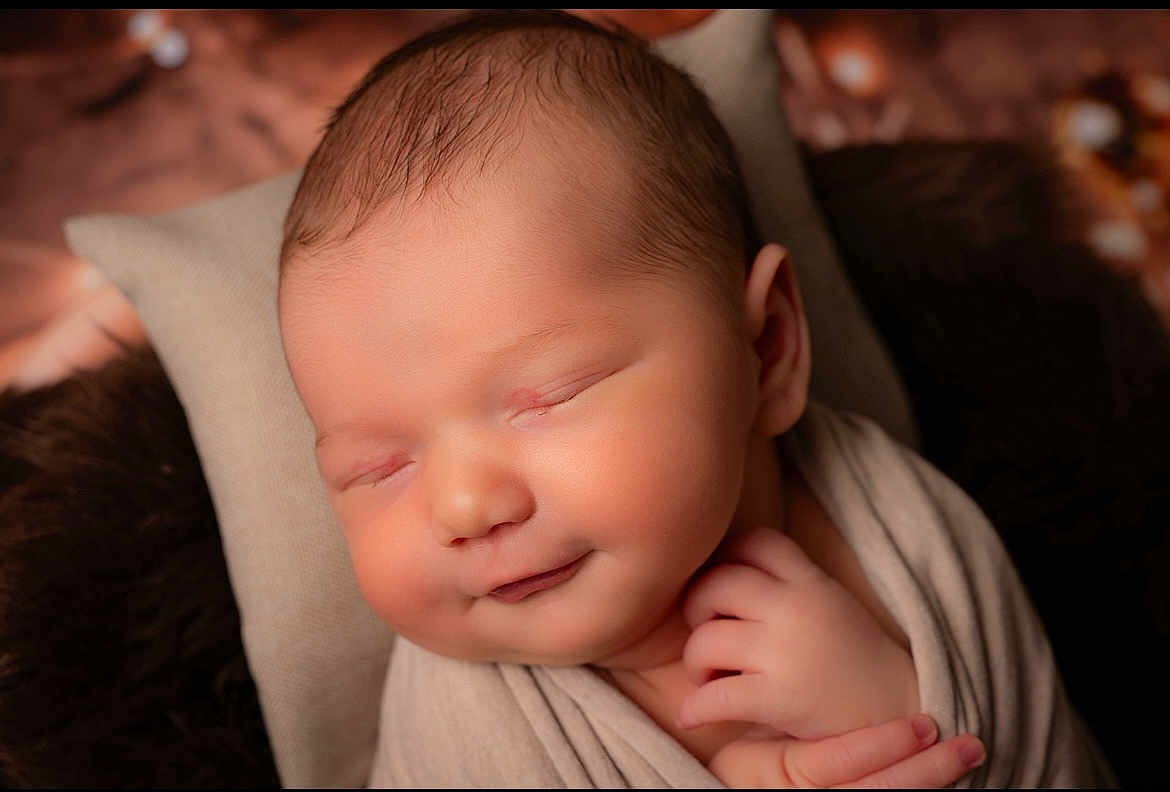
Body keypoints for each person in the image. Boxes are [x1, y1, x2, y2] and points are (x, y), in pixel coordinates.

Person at [276, 10, 1113, 788]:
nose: (463, 505)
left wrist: (910, 725)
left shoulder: (898, 533)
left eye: (548, 398)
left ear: (767, 348)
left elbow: (1046, 753)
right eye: (377, 468)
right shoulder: (461, 730)